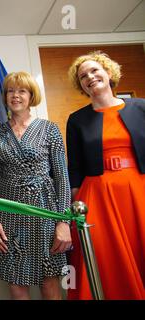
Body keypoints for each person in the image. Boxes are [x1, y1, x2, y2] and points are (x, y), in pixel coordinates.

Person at [0, 71, 72, 300]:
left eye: (22, 90)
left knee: (49, 281)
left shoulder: (50, 129)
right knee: (16, 283)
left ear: (31, 95)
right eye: (11, 91)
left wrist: (64, 221)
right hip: (10, 215)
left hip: (45, 212)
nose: (15, 96)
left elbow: (62, 177)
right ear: (5, 96)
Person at [66, 51, 145, 300]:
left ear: (108, 73)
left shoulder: (141, 106)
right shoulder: (77, 120)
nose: (90, 77)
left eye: (94, 71)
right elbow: (75, 168)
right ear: (81, 86)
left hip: (139, 190)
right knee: (103, 257)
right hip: (97, 196)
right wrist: (75, 212)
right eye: (83, 77)